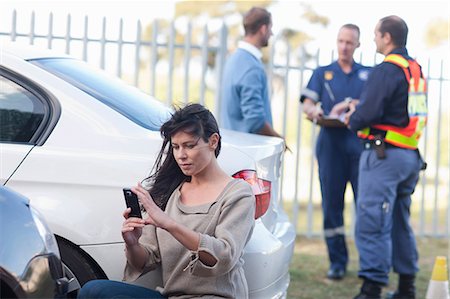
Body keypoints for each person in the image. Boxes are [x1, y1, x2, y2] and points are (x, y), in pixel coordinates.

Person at [77, 103, 256, 298]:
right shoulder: (171, 192)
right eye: (176, 147)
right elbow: (143, 262)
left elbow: (224, 255)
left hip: (216, 297)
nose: (181, 155)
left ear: (213, 141)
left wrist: (169, 224)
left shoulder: (238, 193)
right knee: (93, 291)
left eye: (190, 145)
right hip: (172, 296)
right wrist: (132, 244)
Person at [344, 16, 427, 299]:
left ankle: (371, 289)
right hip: (409, 157)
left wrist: (353, 117)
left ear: (387, 37)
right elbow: (404, 112)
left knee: (372, 222)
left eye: (376, 34)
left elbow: (367, 114)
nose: (374, 39)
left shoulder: (386, 70)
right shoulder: (414, 70)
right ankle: (407, 287)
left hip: (384, 158)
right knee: (399, 222)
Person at [299, 24, 371, 280]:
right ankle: (337, 262)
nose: (344, 46)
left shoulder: (368, 74)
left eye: (349, 42)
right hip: (330, 147)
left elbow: (377, 103)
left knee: (365, 206)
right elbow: (308, 102)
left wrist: (354, 105)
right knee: (332, 206)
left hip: (360, 147)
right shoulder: (323, 73)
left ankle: (369, 263)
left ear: (358, 45)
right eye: (341, 41)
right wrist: (314, 111)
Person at [220, 7, 282, 139]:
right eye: (270, 28)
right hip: (249, 150)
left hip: (233, 144)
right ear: (263, 29)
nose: (271, 33)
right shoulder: (251, 66)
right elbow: (255, 120)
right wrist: (279, 140)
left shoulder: (234, 59)